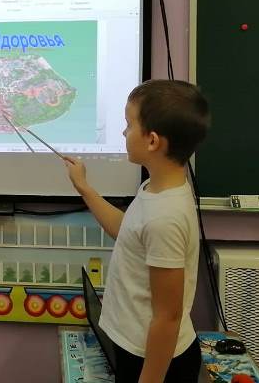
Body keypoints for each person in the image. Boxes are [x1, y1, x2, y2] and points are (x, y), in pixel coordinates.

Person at [64, 79, 210, 383]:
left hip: (154, 362)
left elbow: (168, 317)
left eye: (129, 125)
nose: (123, 132)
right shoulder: (156, 188)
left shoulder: (164, 217)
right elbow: (128, 231)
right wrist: (85, 188)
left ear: (152, 141)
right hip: (135, 349)